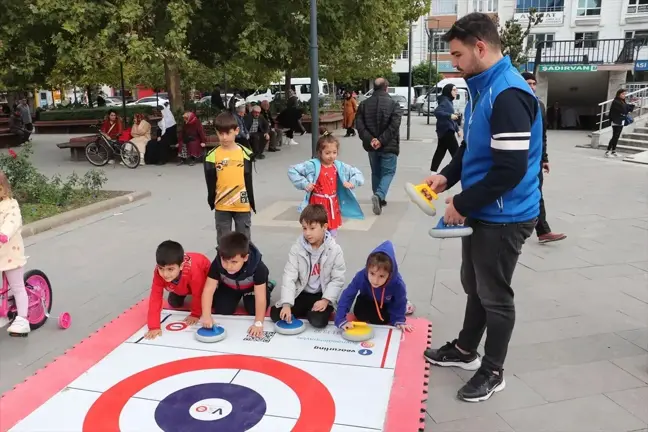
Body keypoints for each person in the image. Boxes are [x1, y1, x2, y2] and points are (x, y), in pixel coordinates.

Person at [421, 13, 542, 403]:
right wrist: (445, 177)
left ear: (480, 47)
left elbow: (509, 169)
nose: (453, 64)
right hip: (484, 209)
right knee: (474, 285)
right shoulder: (481, 88)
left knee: (494, 295)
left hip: (505, 215)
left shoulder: (507, 93)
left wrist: (461, 202)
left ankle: (493, 370)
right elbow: (474, 149)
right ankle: (465, 350)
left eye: (457, 55)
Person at [269, 204, 346, 328]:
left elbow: (338, 279)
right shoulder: (297, 248)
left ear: (324, 227)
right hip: (301, 292)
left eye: (312, 228)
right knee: (276, 314)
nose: (307, 233)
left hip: (322, 294)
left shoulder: (335, 250)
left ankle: (314, 312)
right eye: (304, 228)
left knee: (318, 321)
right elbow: (289, 277)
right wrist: (287, 304)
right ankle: (303, 311)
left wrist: (326, 300)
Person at [288, 127, 364, 237]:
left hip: (332, 204)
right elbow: (292, 170)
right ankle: (317, 251)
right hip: (317, 204)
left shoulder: (339, 166)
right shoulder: (313, 165)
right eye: (327, 153)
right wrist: (305, 184)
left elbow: (357, 173)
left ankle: (330, 251)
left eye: (334, 152)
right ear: (320, 152)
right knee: (316, 232)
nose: (331, 156)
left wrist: (352, 182)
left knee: (332, 233)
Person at [521, 72, 566, 244]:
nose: (532, 86)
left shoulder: (539, 105)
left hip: (534, 160)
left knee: (537, 192)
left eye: (534, 83)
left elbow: (542, 135)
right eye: (528, 83)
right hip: (516, 158)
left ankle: (543, 231)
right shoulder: (514, 103)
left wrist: (544, 158)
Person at [200, 232, 270, 338]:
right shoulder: (217, 263)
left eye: (234, 262)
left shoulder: (258, 268)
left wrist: (258, 323)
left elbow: (260, 297)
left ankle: (268, 286)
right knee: (222, 310)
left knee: (253, 309)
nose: (228, 266)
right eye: (225, 261)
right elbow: (208, 289)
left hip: (251, 288)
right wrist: (206, 315)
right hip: (229, 287)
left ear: (245, 258)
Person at [334, 240, 412, 332]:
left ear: (390, 274)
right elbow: (348, 295)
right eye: (372, 273)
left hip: (386, 302)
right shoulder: (361, 276)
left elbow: (399, 301)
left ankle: (407, 307)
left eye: (381, 276)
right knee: (360, 315)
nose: (375, 281)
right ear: (368, 269)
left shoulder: (397, 283)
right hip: (368, 298)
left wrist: (399, 320)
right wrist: (340, 319)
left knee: (381, 320)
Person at [204, 111, 256, 245]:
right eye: (220, 133)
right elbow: (210, 181)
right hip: (222, 205)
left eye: (228, 133)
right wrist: (212, 199)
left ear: (236, 131)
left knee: (244, 242)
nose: (224, 137)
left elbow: (248, 179)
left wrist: (251, 202)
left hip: (242, 205)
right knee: (223, 243)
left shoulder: (245, 154)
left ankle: (246, 265)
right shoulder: (212, 155)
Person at [144, 240, 211, 340]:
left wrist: (196, 314)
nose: (165, 274)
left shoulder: (194, 270)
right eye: (161, 268)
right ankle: (181, 290)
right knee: (174, 303)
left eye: (170, 269)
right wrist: (154, 326)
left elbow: (198, 293)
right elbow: (155, 298)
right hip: (181, 284)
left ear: (181, 266)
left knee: (211, 302)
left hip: (203, 280)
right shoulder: (158, 273)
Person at [356, 78, 402, 216]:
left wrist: (371, 140)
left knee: (376, 172)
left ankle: (379, 197)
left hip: (371, 146)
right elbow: (394, 126)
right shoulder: (394, 104)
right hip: (388, 145)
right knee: (388, 172)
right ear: (386, 88)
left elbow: (359, 125)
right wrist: (381, 140)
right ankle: (379, 195)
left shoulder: (363, 104)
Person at [0, 171, 30, 335]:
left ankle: (23, 319)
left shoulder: (10, 205)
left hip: (10, 252)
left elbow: (12, 221)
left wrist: (4, 233)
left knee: (17, 286)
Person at [431, 84, 462, 173]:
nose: (456, 92)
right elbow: (437, 112)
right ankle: (457, 170)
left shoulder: (448, 101)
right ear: (449, 91)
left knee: (440, 151)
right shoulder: (445, 101)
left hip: (444, 130)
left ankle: (433, 171)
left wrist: (457, 129)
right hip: (446, 130)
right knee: (456, 152)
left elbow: (451, 119)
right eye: (454, 90)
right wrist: (450, 115)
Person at [606, 88, 635, 158]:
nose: (624, 95)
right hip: (616, 120)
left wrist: (632, 105)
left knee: (617, 136)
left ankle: (613, 151)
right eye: (623, 94)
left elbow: (627, 109)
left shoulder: (622, 101)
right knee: (615, 136)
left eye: (625, 94)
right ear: (619, 94)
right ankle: (608, 151)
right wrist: (628, 107)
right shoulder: (616, 101)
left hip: (621, 120)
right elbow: (624, 110)